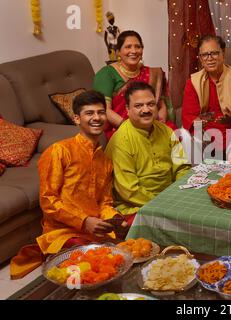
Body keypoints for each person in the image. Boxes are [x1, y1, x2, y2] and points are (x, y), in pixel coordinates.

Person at [10, 90, 128, 279]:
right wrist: (83, 221)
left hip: (95, 228)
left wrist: (114, 218)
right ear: (76, 118)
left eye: (100, 112)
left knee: (131, 233)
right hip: (63, 232)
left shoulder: (105, 160)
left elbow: (105, 202)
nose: (96, 118)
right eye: (89, 113)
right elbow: (48, 201)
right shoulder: (59, 151)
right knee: (91, 262)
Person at [105, 81, 191, 216]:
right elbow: (129, 190)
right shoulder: (121, 140)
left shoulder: (166, 130)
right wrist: (166, 203)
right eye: (138, 106)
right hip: (137, 206)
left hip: (172, 198)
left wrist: (180, 193)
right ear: (127, 110)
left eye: (151, 104)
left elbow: (182, 167)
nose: (146, 110)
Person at [94, 30, 175, 140]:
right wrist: (130, 128)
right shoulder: (106, 74)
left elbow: (161, 106)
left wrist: (158, 126)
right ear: (118, 52)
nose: (134, 51)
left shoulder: (153, 74)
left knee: (177, 140)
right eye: (128, 47)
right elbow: (104, 109)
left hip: (152, 125)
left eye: (138, 47)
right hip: (121, 128)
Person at [181, 35, 231, 160]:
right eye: (205, 55)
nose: (210, 59)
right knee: (184, 134)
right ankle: (197, 176)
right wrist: (200, 125)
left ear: (223, 54)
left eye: (214, 53)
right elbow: (189, 115)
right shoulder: (193, 82)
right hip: (204, 132)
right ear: (201, 59)